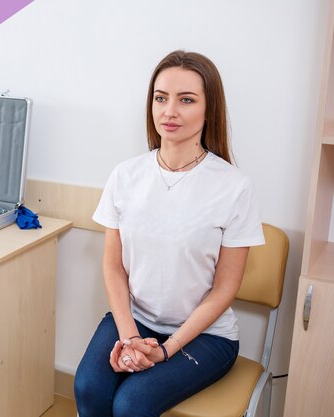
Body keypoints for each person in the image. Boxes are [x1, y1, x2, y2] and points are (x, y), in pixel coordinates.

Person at [73, 50, 265, 417]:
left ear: (210, 110)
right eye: (160, 98)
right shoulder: (125, 176)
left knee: (131, 404)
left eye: (186, 100)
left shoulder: (234, 187)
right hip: (136, 318)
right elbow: (114, 267)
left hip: (207, 336)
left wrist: (165, 349)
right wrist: (130, 336)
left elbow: (225, 289)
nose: (169, 111)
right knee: (89, 388)